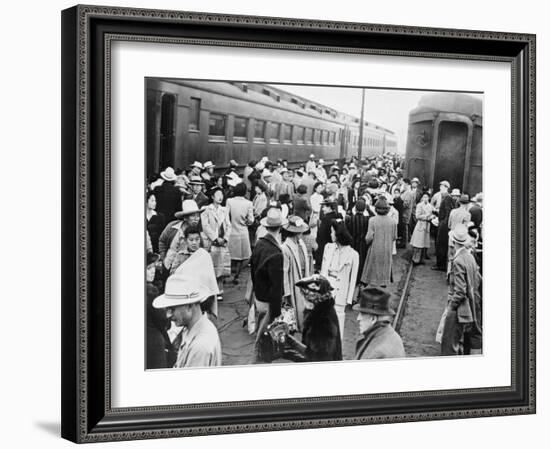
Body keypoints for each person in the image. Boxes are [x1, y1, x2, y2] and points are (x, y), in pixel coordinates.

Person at [153, 277, 222, 368]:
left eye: (172, 309)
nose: (168, 315)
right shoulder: (193, 328)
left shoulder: (200, 347)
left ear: (189, 306)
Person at [440, 225, 482, 356]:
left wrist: (451, 307)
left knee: (449, 343)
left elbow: (460, 291)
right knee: (463, 339)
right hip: (470, 305)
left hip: (459, 309)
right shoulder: (469, 257)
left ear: (453, 242)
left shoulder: (457, 260)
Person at [250, 207, 286, 362]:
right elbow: (276, 286)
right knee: (266, 336)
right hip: (268, 301)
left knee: (261, 329)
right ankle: (259, 359)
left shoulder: (259, 244)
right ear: (280, 228)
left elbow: (252, 269)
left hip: (258, 296)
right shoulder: (276, 253)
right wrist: (277, 312)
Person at [320, 220, 359, 340]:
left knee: (338, 320)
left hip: (341, 291)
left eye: (332, 232)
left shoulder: (353, 254)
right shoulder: (328, 248)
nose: (330, 234)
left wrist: (349, 298)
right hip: (327, 289)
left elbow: (353, 278)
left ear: (338, 234)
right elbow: (323, 269)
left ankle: (337, 347)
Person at [296, 274, 343, 362]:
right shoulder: (322, 311)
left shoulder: (321, 321)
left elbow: (319, 357)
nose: (302, 299)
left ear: (311, 298)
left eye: (303, 296)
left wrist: (291, 355)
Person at [353, 287, 405, 359]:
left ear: (373, 319)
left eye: (362, 314)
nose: (358, 319)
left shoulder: (378, 352)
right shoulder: (386, 332)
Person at [281, 216, 311, 331]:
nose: (301, 234)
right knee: (294, 309)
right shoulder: (285, 248)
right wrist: (286, 293)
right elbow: (284, 272)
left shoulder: (301, 244)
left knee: (304, 306)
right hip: (293, 279)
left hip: (303, 278)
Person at [201, 187, 232, 294]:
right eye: (218, 194)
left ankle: (220, 289)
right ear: (212, 197)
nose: (220, 197)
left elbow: (229, 225)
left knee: (221, 264)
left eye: (222, 195)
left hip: (222, 242)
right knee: (210, 265)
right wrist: (215, 238)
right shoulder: (206, 209)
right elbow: (205, 226)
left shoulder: (224, 210)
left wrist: (225, 238)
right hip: (210, 242)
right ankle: (210, 290)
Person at [361, 197, 397, 288]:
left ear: (376, 209)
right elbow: (394, 237)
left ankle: (371, 283)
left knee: (373, 267)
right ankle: (384, 282)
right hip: (387, 248)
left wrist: (367, 243)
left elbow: (369, 237)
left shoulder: (372, 220)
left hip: (375, 247)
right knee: (385, 266)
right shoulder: (393, 221)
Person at [146, 253, 173, 369]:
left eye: (153, 267)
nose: (152, 271)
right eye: (148, 268)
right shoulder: (150, 292)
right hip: (153, 341)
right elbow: (162, 321)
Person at [161, 199, 203, 272]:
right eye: (193, 216)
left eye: (198, 216)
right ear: (185, 217)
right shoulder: (172, 227)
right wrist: (163, 257)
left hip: (186, 269)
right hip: (168, 265)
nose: (196, 219)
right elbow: (162, 241)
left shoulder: (197, 232)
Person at [226, 182, 254, 285]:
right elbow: (251, 220)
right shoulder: (248, 203)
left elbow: (226, 216)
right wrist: (246, 221)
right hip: (243, 231)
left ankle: (228, 274)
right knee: (244, 256)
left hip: (231, 231)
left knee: (230, 255)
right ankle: (237, 275)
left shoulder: (229, 201)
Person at [345, 198, 373, 283]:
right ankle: (361, 278)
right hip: (363, 244)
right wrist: (369, 209)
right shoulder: (368, 219)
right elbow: (374, 216)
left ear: (355, 208)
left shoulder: (350, 219)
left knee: (353, 261)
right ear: (364, 209)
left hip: (353, 243)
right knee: (362, 261)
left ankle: (353, 278)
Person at [314, 199, 342, 270]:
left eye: (324, 207)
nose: (322, 209)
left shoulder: (326, 219)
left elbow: (321, 235)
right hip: (337, 247)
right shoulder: (338, 216)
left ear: (329, 207)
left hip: (326, 248)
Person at [433, 181, 454, 271]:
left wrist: (442, 224)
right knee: (441, 245)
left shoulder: (447, 198)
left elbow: (448, 213)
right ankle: (440, 264)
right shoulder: (445, 197)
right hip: (443, 224)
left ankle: (440, 265)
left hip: (443, 227)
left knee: (441, 245)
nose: (440, 188)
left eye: (441, 187)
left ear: (446, 187)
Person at [410, 193, 434, 264]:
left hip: (427, 225)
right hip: (420, 225)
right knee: (418, 243)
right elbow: (417, 216)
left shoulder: (430, 206)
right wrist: (426, 217)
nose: (425, 198)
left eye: (427, 197)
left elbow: (432, 213)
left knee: (424, 243)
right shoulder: (419, 205)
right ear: (422, 198)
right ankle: (415, 259)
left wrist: (432, 217)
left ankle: (421, 259)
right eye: (424, 197)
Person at [400, 178, 415, 246]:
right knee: (403, 227)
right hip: (404, 212)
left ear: (406, 184)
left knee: (404, 228)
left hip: (405, 213)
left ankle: (404, 243)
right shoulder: (406, 192)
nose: (402, 185)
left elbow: (406, 204)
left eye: (403, 184)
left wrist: (398, 205)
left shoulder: (409, 193)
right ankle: (403, 241)